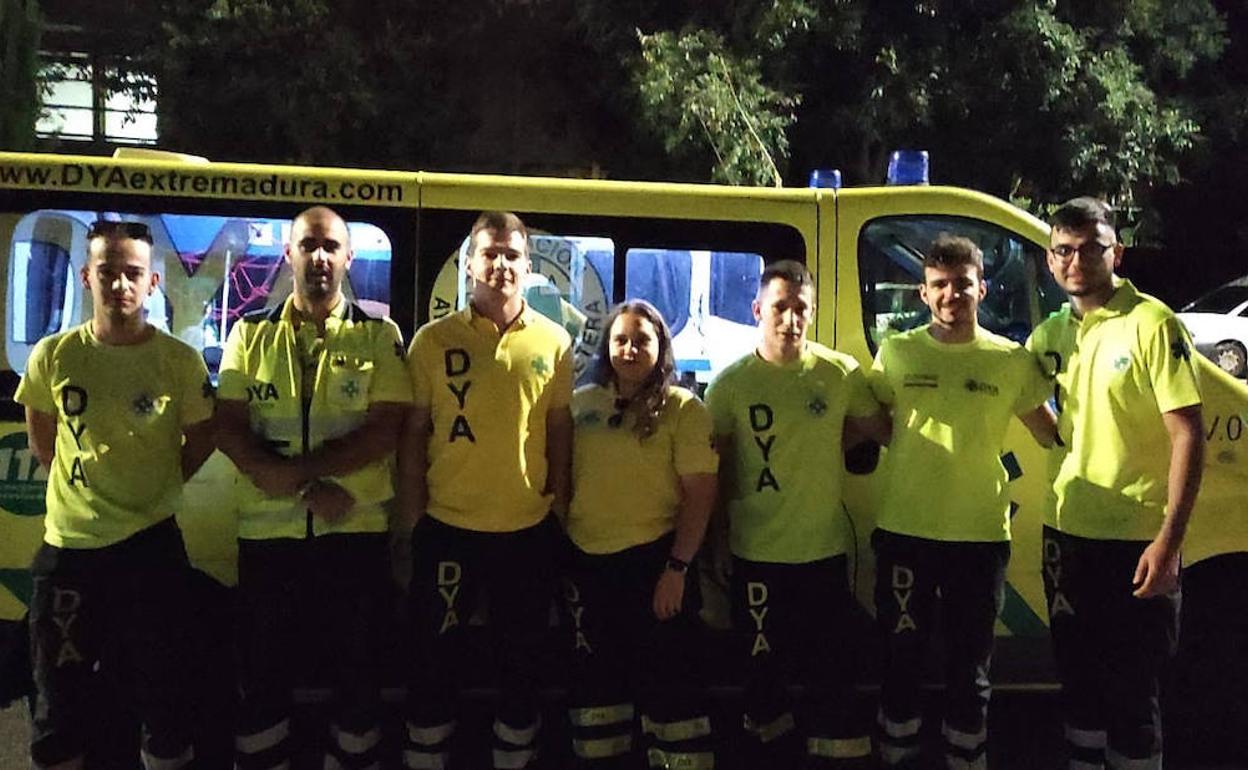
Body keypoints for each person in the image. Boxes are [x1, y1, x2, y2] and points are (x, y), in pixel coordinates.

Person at [217, 205, 412, 770]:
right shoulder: (248, 333)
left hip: (352, 534)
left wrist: (296, 477)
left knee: (358, 676)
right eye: (309, 246)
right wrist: (307, 487)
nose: (320, 257)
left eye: (331, 246)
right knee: (262, 677)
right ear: (289, 254)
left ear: (348, 257)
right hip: (267, 540)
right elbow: (227, 425)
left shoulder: (380, 335)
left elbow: (385, 429)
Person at [17, 220, 215, 770]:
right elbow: (42, 432)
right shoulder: (54, 355)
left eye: (132, 274)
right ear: (87, 276)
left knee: (165, 697)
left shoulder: (179, 360)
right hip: (69, 554)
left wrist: (160, 482)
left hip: (151, 549)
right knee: (57, 702)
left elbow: (203, 435)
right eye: (108, 273)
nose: (120, 285)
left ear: (153, 283)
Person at [1026, 197, 1204, 769]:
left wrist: (1169, 541)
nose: (1077, 261)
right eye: (1064, 250)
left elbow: (1188, 437)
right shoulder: (1051, 334)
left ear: (1116, 253)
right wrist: (1061, 441)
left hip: (1136, 543)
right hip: (1067, 535)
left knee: (1133, 696)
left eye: (1092, 249)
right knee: (1079, 691)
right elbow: (1027, 400)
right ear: (1050, 262)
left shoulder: (1153, 323)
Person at [868, 235, 1057, 769]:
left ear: (983, 288)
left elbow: (1051, 433)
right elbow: (869, 416)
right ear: (923, 294)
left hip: (980, 539)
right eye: (940, 285)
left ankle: (966, 759)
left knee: (970, 673)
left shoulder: (1010, 361)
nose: (952, 294)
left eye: (963, 284)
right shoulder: (897, 351)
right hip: (905, 533)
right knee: (900, 665)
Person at [399, 211, 572, 770]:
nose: (501, 264)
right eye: (490, 253)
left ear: (529, 266)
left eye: (512, 255)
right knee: (431, 664)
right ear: (469, 263)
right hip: (447, 530)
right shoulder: (431, 341)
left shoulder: (557, 342)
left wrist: (560, 506)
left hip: (526, 533)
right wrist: (411, 524)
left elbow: (560, 430)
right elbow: (414, 434)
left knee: (520, 668)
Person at [705, 259, 886, 769]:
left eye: (800, 308)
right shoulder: (730, 384)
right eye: (779, 307)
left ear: (812, 312)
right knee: (762, 679)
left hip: (823, 556)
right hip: (755, 557)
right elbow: (715, 472)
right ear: (758, 309)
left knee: (832, 675)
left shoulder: (839, 373)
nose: (790, 319)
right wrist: (715, 542)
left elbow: (880, 429)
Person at [563, 300, 719, 769]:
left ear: (661, 347)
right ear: (607, 345)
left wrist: (677, 569)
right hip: (588, 567)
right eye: (621, 339)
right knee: (596, 695)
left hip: (655, 566)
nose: (630, 349)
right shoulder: (580, 404)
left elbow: (700, 495)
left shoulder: (684, 409)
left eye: (642, 340)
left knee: (672, 692)